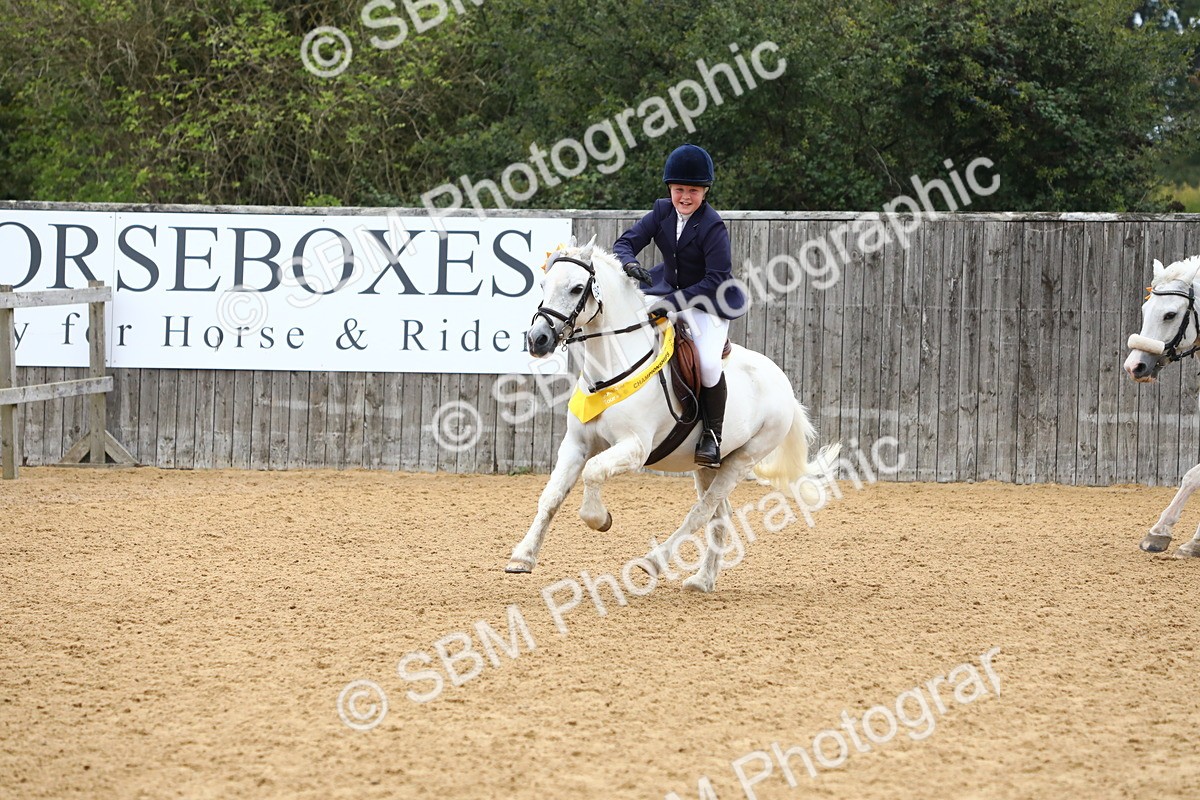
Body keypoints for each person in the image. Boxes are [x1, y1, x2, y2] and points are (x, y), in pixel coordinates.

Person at [612, 143, 747, 468]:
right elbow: (624, 243)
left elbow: (715, 278)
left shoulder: (712, 225)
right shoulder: (662, 211)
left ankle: (711, 436)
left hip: (706, 303)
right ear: (670, 189)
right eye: (679, 189)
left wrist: (670, 303)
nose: (685, 197)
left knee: (710, 364)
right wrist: (630, 264)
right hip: (665, 291)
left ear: (704, 191)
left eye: (692, 191)